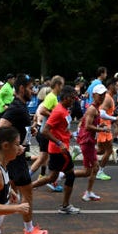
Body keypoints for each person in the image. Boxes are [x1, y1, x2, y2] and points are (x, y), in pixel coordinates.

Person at [0, 74, 48, 234]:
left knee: (9, 194)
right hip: (16, 158)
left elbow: (15, 127)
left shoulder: (21, 106)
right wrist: (14, 148)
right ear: (22, 88)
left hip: (17, 155)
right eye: (30, 88)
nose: (33, 91)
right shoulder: (16, 107)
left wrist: (29, 130)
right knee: (27, 192)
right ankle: (29, 230)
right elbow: (0, 129)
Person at [41, 86, 91, 214]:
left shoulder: (64, 110)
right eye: (73, 97)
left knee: (52, 177)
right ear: (66, 97)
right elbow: (44, 131)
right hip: (59, 151)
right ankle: (65, 206)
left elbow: (62, 128)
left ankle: (27, 188)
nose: (74, 99)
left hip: (60, 149)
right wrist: (59, 142)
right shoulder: (58, 111)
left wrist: (72, 135)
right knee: (70, 175)